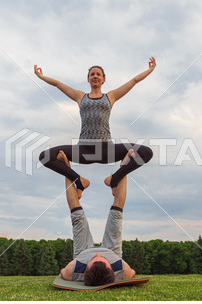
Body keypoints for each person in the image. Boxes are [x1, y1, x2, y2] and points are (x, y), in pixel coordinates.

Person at [35, 58, 156, 198]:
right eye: (92, 74)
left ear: (104, 79)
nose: (95, 76)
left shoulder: (110, 96)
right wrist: (41, 76)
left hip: (106, 149)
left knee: (146, 152)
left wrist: (150, 70)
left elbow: (134, 81)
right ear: (88, 79)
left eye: (98, 74)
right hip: (84, 149)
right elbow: (57, 84)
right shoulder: (80, 96)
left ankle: (114, 179)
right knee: (44, 157)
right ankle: (79, 181)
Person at [57, 149, 136, 286]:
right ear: (111, 268)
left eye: (95, 259)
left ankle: (66, 167)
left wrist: (79, 269)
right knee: (117, 212)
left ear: (85, 269)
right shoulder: (122, 271)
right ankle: (123, 166)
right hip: (112, 253)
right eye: (102, 260)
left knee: (76, 215)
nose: (99, 255)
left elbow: (62, 272)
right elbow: (133, 273)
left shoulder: (73, 271)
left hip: (83, 253)